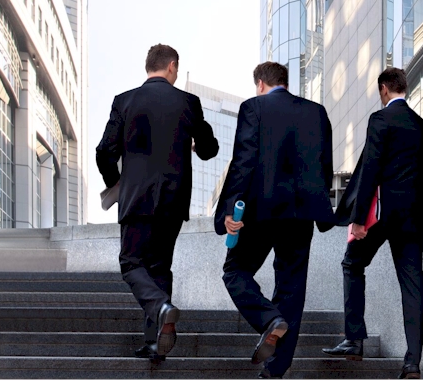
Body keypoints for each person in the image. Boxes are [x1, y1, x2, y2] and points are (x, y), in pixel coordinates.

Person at [96, 44, 218, 361]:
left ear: (149, 67)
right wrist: (194, 140)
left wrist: (116, 183)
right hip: (173, 200)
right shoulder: (188, 102)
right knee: (160, 267)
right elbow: (209, 149)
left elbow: (103, 152)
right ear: (172, 67)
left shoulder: (124, 101)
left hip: (136, 197)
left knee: (131, 263)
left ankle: (161, 309)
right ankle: (154, 341)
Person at [214, 61, 336, 379]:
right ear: (285, 81)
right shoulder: (317, 112)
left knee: (235, 271)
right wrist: (319, 207)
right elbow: (325, 165)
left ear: (260, 83)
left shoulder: (254, 107)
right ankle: (276, 368)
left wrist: (229, 209)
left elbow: (243, 161)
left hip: (260, 210)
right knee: (292, 287)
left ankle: (269, 318)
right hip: (301, 213)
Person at [322, 67, 423, 380]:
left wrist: (358, 220)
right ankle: (412, 362)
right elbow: (421, 171)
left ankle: (355, 339)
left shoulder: (380, 120)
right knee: (413, 285)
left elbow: (370, 170)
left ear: (385, 89)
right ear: (404, 88)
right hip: (412, 213)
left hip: (382, 213)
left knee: (352, 264)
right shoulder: (422, 125)